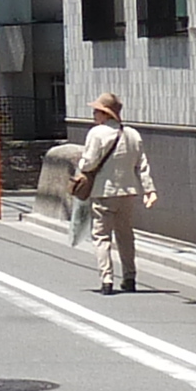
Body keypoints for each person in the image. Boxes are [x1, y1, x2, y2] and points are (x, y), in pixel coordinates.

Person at [65, 92, 155, 294]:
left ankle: (107, 280)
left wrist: (81, 164)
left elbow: (88, 162)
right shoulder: (132, 134)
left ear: (106, 114)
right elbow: (142, 164)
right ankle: (130, 277)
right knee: (125, 235)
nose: (94, 113)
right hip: (128, 192)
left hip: (104, 192)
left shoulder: (96, 133)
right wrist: (149, 189)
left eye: (97, 110)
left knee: (102, 236)